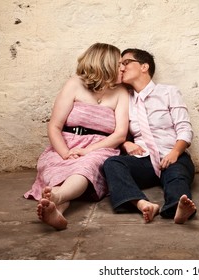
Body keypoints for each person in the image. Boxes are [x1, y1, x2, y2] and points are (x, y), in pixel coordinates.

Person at [24, 43, 129, 230]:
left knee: (85, 167)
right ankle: (56, 211)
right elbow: (54, 126)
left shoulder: (121, 92)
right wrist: (65, 153)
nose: (123, 68)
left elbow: (120, 134)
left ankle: (58, 197)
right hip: (66, 143)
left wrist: (87, 150)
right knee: (59, 175)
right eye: (119, 63)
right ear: (106, 64)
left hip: (101, 147)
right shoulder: (74, 84)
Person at [103, 48, 196, 224]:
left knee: (176, 176)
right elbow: (118, 130)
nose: (121, 68)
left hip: (172, 154)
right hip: (143, 159)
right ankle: (142, 203)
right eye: (120, 64)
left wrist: (175, 152)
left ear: (144, 66)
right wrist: (126, 144)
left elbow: (184, 127)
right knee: (112, 164)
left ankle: (178, 208)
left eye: (126, 62)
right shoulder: (125, 98)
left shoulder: (169, 92)